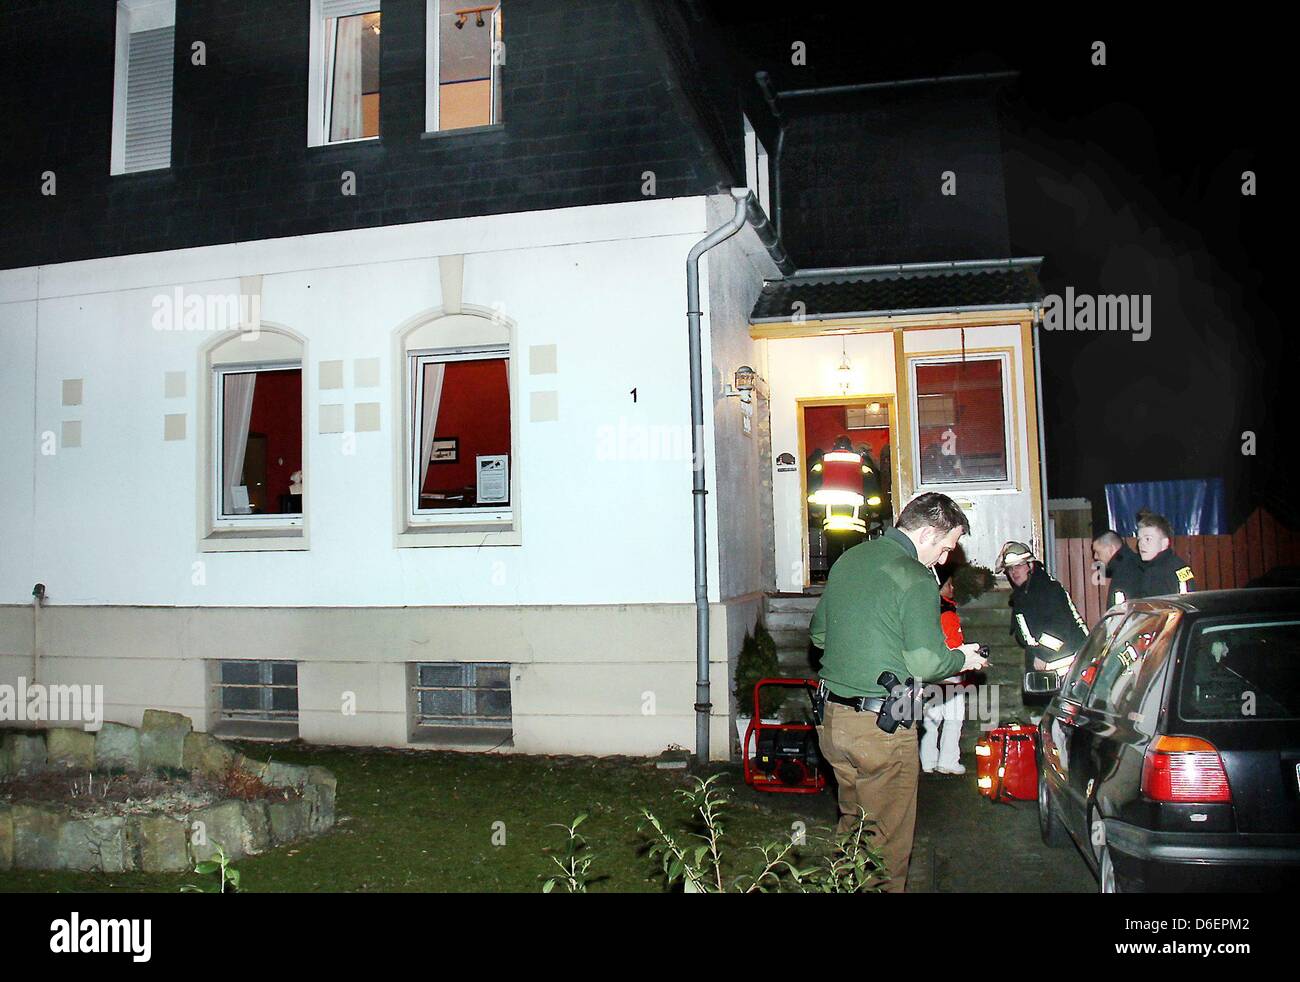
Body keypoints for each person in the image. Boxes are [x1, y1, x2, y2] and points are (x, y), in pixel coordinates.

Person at [809, 492, 989, 893]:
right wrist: (961, 660)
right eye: (945, 548)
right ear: (926, 534)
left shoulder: (850, 559)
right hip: (882, 732)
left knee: (854, 831)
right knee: (885, 852)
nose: (944, 560)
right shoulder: (913, 575)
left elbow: (819, 635)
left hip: (833, 724)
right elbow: (927, 663)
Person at [996, 541, 1089, 688]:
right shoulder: (1023, 594)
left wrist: (1041, 654)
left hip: (1068, 664)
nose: (1014, 572)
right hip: (1049, 669)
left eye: (1019, 566)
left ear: (1031, 566)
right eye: (1010, 569)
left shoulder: (1047, 589)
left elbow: (1059, 628)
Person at [919, 572, 973, 775]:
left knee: (930, 721)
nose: (952, 589)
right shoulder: (947, 613)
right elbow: (954, 645)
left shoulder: (925, 610)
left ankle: (928, 760)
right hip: (949, 672)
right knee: (953, 719)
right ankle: (948, 761)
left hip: (930, 673)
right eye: (949, 584)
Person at [1132, 512, 1196, 597]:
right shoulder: (1180, 566)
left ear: (1164, 543)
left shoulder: (1156, 572)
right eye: (1139, 539)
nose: (1141, 544)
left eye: (1148, 539)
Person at [1092, 529, 1141, 608]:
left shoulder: (1123, 573)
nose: (1095, 557)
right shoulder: (1132, 563)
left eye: (1098, 552)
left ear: (1111, 549)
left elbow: (1118, 612)